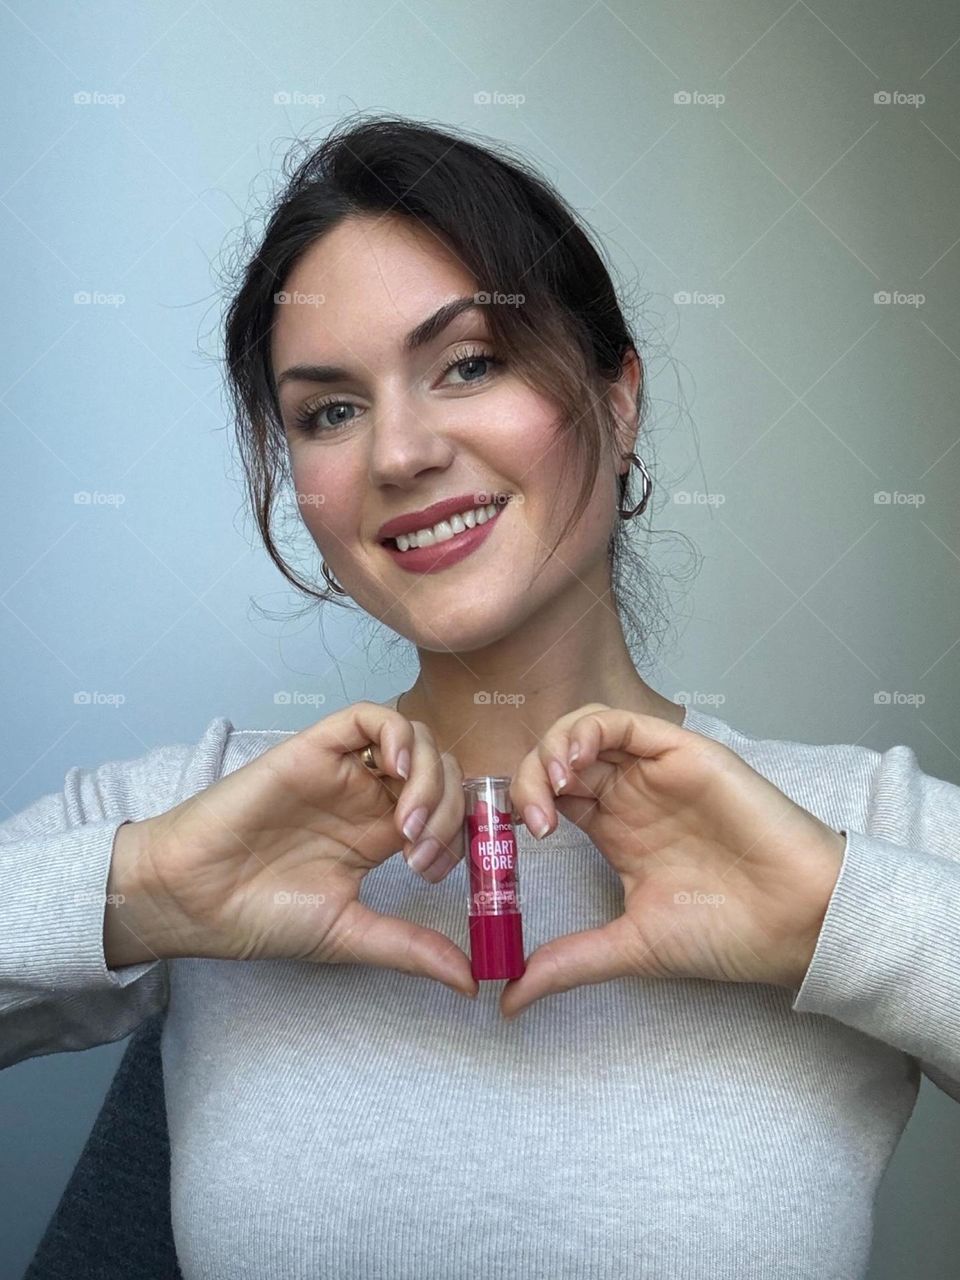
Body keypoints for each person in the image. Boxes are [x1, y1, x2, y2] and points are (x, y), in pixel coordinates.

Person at [4, 113, 960, 1280]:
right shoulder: (198, 812)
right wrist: (151, 887)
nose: (399, 452)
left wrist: (837, 920)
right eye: (330, 410)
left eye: (469, 363)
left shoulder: (862, 825)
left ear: (618, 402)